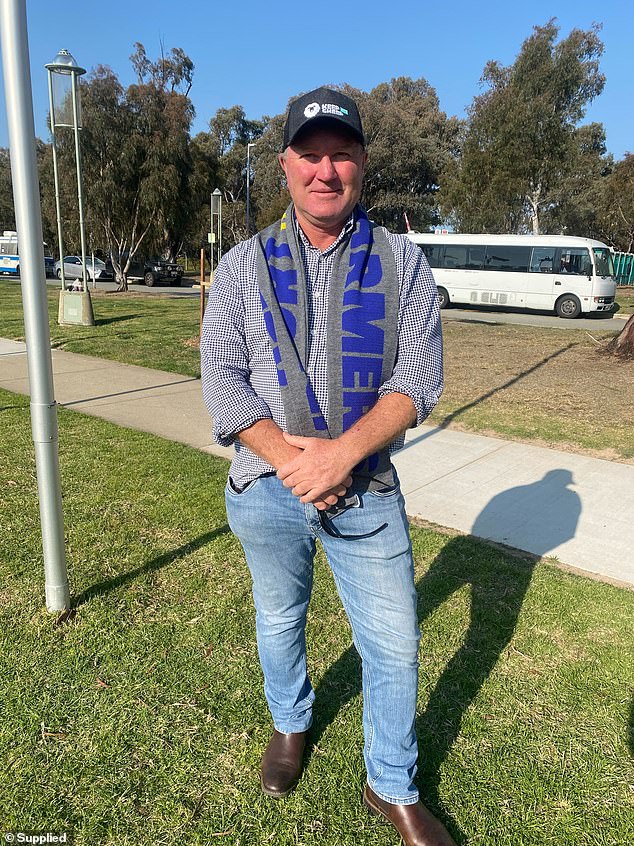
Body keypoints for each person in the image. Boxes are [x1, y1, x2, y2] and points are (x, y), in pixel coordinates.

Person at [201, 87, 455, 846]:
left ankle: (391, 783)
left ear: (362, 164)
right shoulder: (244, 265)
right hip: (265, 488)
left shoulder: (404, 263)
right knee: (280, 617)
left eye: (340, 154)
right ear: (286, 166)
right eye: (309, 155)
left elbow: (418, 378)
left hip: (366, 489)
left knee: (394, 641)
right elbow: (221, 373)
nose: (325, 170)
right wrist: (289, 461)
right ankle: (290, 724)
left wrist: (342, 454)